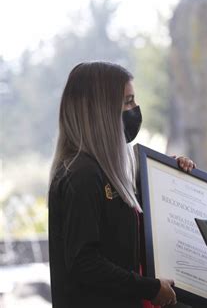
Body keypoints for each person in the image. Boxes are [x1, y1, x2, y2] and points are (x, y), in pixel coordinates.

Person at [48, 61, 196, 308]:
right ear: (101, 110)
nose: (135, 109)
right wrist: (149, 288)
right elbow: (85, 263)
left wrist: (169, 177)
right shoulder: (81, 176)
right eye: (128, 101)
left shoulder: (112, 169)